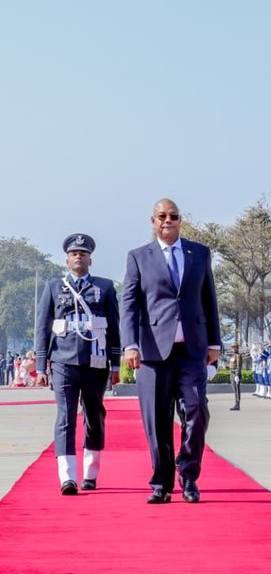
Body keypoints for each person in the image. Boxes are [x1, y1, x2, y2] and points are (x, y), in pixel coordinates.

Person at [121, 198, 221, 504]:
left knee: (196, 411)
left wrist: (215, 343)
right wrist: (130, 345)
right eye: (162, 216)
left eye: (173, 216)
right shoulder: (139, 257)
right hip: (152, 352)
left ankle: (188, 473)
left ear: (180, 220)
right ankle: (161, 483)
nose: (168, 220)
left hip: (192, 350)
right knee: (157, 420)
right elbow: (129, 304)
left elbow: (209, 299)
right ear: (152, 221)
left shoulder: (199, 253)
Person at [34, 233, 121, 494]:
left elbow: (115, 328)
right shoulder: (53, 287)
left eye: (83, 253)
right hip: (62, 360)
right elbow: (42, 327)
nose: (78, 256)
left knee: (94, 415)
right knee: (65, 417)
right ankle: (67, 477)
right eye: (74, 253)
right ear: (67, 259)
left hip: (95, 361)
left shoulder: (105, 288)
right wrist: (40, 367)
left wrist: (115, 364)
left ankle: (91, 474)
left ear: (90, 259)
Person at [229, 342, 243, 411]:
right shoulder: (233, 356)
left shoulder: (238, 356)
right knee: (234, 390)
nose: (233, 348)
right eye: (232, 347)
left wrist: (237, 374)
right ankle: (236, 404)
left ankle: (237, 404)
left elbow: (238, 366)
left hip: (235, 374)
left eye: (235, 347)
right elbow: (231, 365)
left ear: (237, 348)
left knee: (237, 390)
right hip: (232, 373)